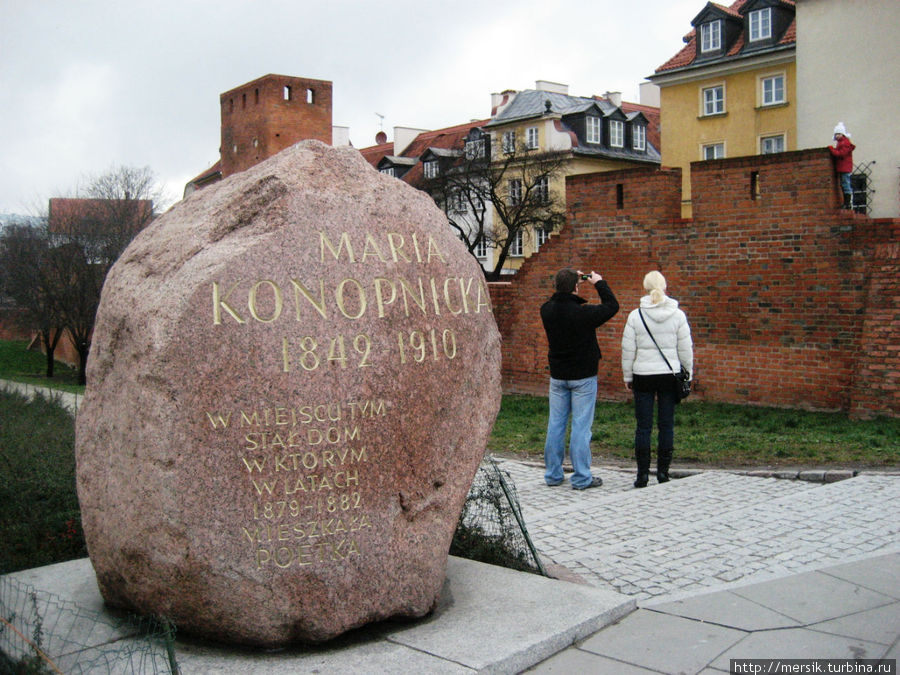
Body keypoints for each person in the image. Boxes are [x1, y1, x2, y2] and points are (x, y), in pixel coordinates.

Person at [540, 267, 618, 490]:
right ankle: (582, 477)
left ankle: (553, 475)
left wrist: (571, 282)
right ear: (576, 287)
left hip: (558, 376)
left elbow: (558, 300)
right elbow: (612, 306)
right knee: (581, 426)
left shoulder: (546, 310)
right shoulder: (583, 314)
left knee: (556, 425)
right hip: (583, 376)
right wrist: (597, 282)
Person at [621, 271, 693, 488]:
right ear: (665, 286)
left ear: (645, 287)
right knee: (666, 425)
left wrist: (627, 375)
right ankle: (663, 472)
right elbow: (685, 349)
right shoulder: (678, 315)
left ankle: (642, 475)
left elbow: (627, 349)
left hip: (643, 375)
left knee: (643, 427)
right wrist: (688, 374)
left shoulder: (636, 315)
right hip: (668, 376)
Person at [828, 122, 856, 210]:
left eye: (839, 134)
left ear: (843, 134)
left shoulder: (845, 143)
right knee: (844, 184)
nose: (837, 136)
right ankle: (846, 203)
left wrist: (832, 150)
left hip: (845, 168)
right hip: (843, 167)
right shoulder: (842, 143)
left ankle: (848, 203)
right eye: (836, 134)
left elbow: (841, 154)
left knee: (846, 184)